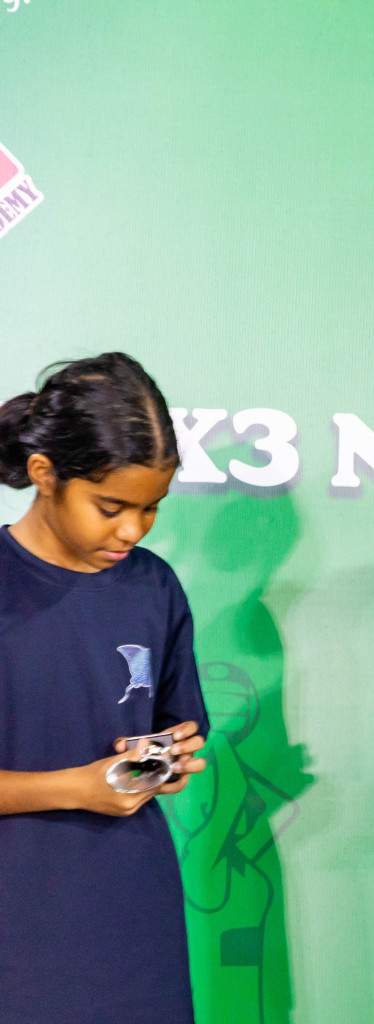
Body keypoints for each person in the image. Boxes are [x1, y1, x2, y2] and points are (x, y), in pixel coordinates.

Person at [0, 352, 210, 1023]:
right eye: (112, 506)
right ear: (44, 474)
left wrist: (169, 756)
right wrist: (77, 788)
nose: (132, 529)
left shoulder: (154, 587)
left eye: (151, 509)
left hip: (132, 916)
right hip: (19, 929)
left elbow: (178, 724)